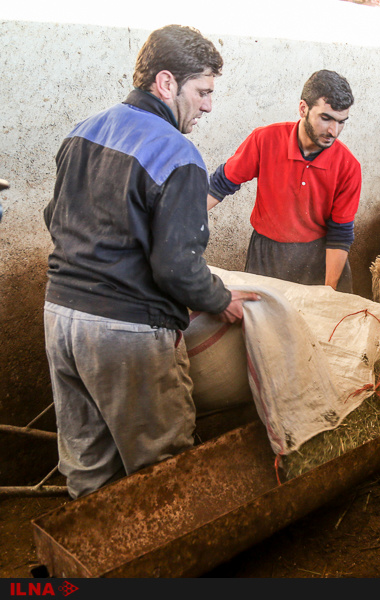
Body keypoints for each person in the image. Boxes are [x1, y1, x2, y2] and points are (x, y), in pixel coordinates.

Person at [43, 24, 258, 499]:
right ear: (166, 83)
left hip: (60, 319)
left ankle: (94, 565)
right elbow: (177, 266)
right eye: (202, 91)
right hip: (126, 334)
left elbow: (53, 218)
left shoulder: (83, 131)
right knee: (162, 470)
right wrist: (220, 299)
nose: (207, 104)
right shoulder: (177, 154)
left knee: (88, 463)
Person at [207, 70, 361, 293]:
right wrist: (180, 225)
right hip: (268, 255)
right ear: (303, 109)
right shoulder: (265, 140)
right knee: (262, 323)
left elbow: (340, 234)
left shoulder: (348, 166)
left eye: (341, 122)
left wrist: (328, 291)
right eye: (325, 118)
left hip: (319, 256)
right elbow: (220, 185)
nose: (333, 131)